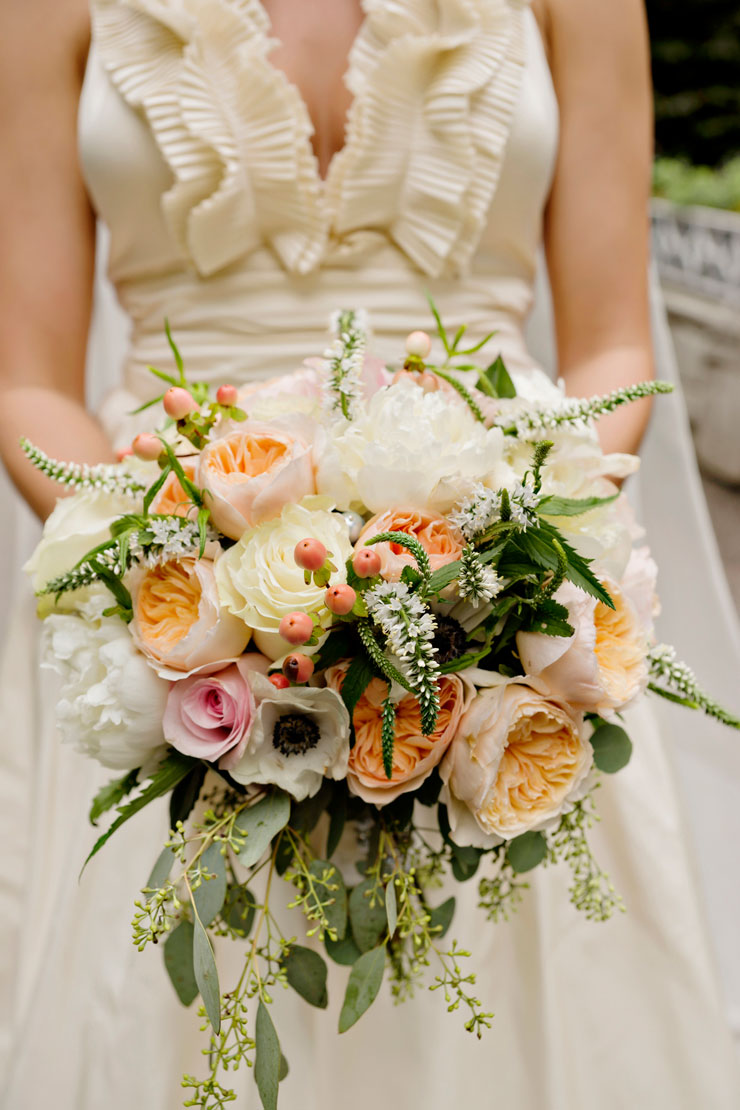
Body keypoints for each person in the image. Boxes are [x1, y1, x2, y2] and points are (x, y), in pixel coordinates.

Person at [1, 0, 739, 1106]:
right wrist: (171, 571)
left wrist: (496, 562)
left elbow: (611, 344)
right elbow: (29, 379)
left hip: (495, 616)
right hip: (169, 612)